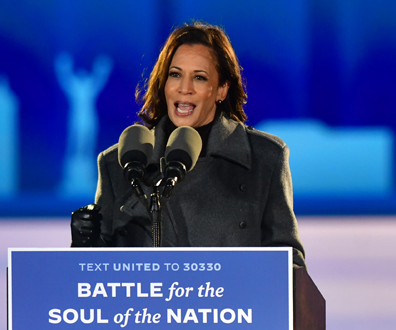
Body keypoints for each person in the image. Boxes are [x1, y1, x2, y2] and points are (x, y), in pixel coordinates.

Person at [71, 22, 306, 268]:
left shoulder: (264, 158)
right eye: (175, 75)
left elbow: (290, 266)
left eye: (199, 78)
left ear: (222, 89)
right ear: (164, 84)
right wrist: (85, 242)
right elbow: (97, 281)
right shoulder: (121, 163)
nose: (185, 89)